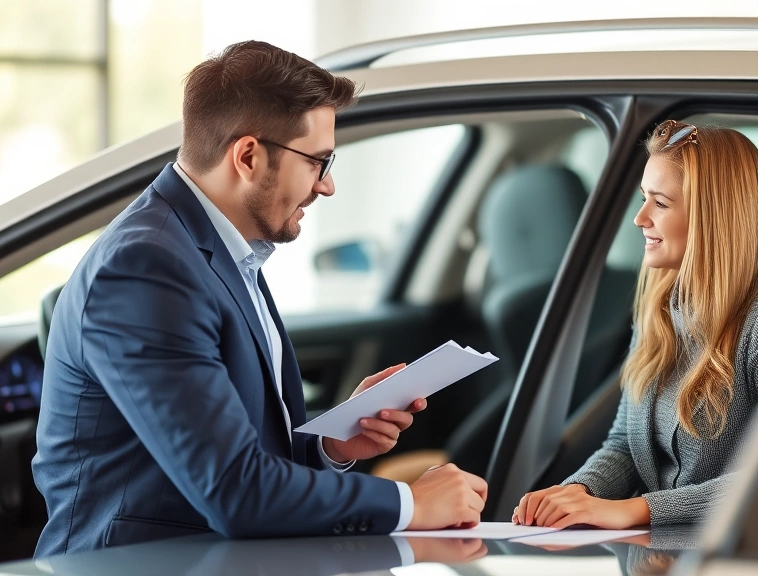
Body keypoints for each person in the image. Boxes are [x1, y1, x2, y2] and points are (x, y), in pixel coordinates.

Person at [32, 41, 487, 557]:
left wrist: (330, 444)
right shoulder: (146, 268)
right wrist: (410, 504)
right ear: (248, 156)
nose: (328, 185)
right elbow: (235, 490)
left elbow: (233, 450)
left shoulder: (219, 250)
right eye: (319, 161)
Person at [513, 120, 758, 529]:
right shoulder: (663, 305)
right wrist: (577, 494)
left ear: (714, 216)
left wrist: (637, 510)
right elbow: (624, 445)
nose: (640, 218)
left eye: (660, 202)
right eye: (643, 198)